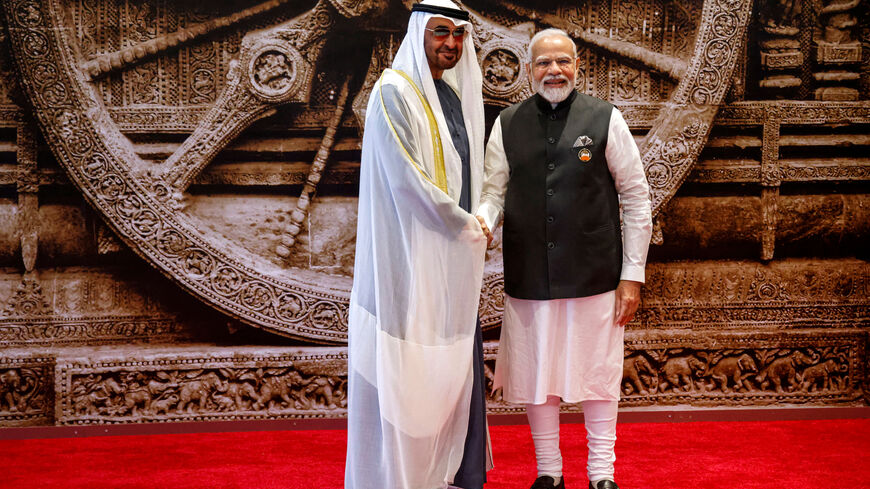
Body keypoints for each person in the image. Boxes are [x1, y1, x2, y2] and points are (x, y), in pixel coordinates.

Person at [477, 28, 653, 489]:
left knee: (598, 374)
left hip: (596, 274)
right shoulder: (507, 123)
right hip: (529, 274)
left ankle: (601, 473)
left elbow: (636, 198)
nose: (554, 70)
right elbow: (493, 192)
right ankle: (549, 472)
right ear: (528, 70)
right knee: (538, 374)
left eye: (562, 61)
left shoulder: (605, 118)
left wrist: (631, 276)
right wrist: (479, 225)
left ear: (577, 66)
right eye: (543, 63)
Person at [345, 1, 493, 488]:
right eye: (440, 32)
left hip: (451, 266)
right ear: (418, 34)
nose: (450, 43)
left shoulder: (449, 97)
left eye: (458, 35)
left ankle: (456, 476)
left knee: (456, 370)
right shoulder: (394, 93)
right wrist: (467, 226)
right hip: (410, 267)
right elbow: (407, 183)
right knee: (413, 375)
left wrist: (475, 223)